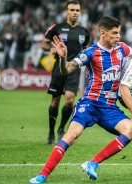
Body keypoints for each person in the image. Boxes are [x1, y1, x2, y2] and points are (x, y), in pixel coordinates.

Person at [29, 16, 132, 183]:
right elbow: (66, 70)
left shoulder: (122, 48)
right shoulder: (91, 53)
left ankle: (92, 163)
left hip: (109, 107)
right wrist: (63, 57)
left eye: (119, 33)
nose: (118, 36)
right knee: (72, 135)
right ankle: (42, 175)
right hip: (89, 103)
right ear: (103, 33)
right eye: (114, 33)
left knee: (131, 130)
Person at [41, 0, 90, 144]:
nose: (75, 13)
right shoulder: (57, 28)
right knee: (55, 101)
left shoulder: (84, 31)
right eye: (72, 10)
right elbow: (44, 43)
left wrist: (88, 66)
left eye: (77, 10)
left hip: (74, 69)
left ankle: (61, 129)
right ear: (66, 12)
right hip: (58, 68)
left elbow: (86, 51)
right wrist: (52, 49)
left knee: (69, 100)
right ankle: (51, 132)